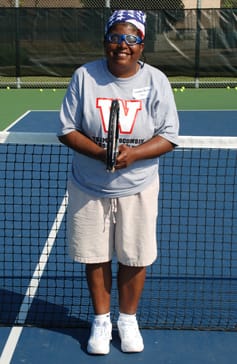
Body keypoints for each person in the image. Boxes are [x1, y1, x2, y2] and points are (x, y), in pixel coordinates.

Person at [58, 9, 179, 355]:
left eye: (131, 39)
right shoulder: (84, 76)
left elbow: (169, 136)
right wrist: (100, 153)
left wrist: (134, 155)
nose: (122, 45)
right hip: (89, 186)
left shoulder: (156, 81)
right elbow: (67, 128)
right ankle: (100, 321)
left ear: (142, 45)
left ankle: (127, 320)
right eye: (115, 37)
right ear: (105, 41)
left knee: (134, 256)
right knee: (95, 256)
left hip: (139, 187)